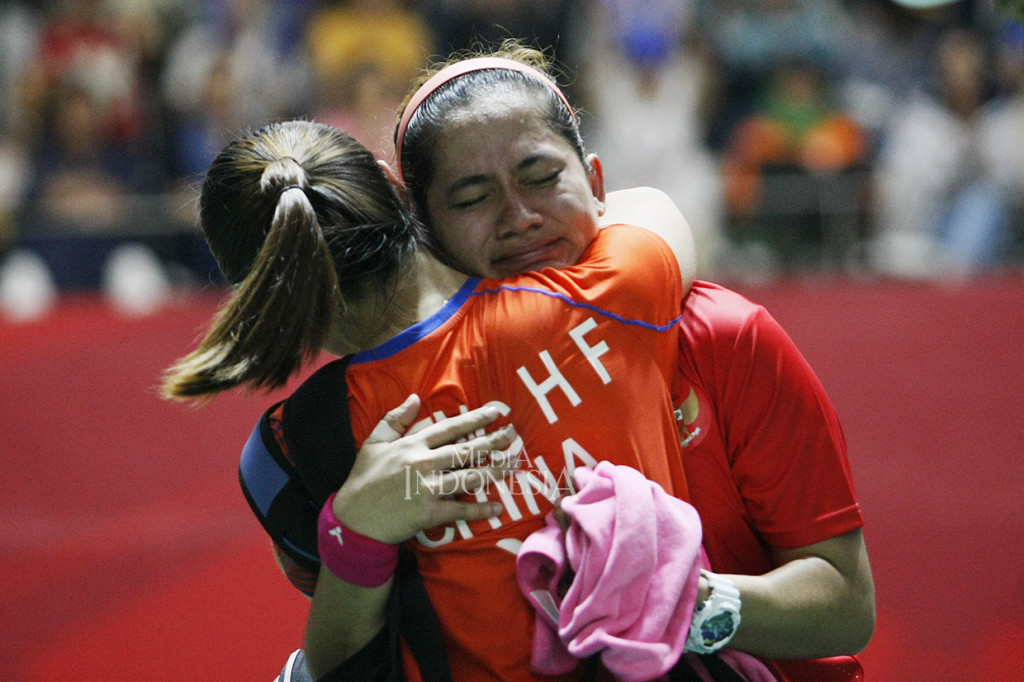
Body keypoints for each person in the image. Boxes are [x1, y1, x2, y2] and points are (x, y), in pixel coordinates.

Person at [168, 44, 873, 680]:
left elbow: (846, 604)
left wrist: (684, 605)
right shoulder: (618, 289)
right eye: (473, 197)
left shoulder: (720, 331)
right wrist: (356, 529)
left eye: (540, 178)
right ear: (414, 213)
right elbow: (655, 211)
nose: (519, 219)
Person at [162, 114, 698, 682]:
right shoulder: (613, 290)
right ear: (396, 192)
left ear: (257, 292)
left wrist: (354, 533)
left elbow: (341, 667)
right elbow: (652, 207)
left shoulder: (287, 452)